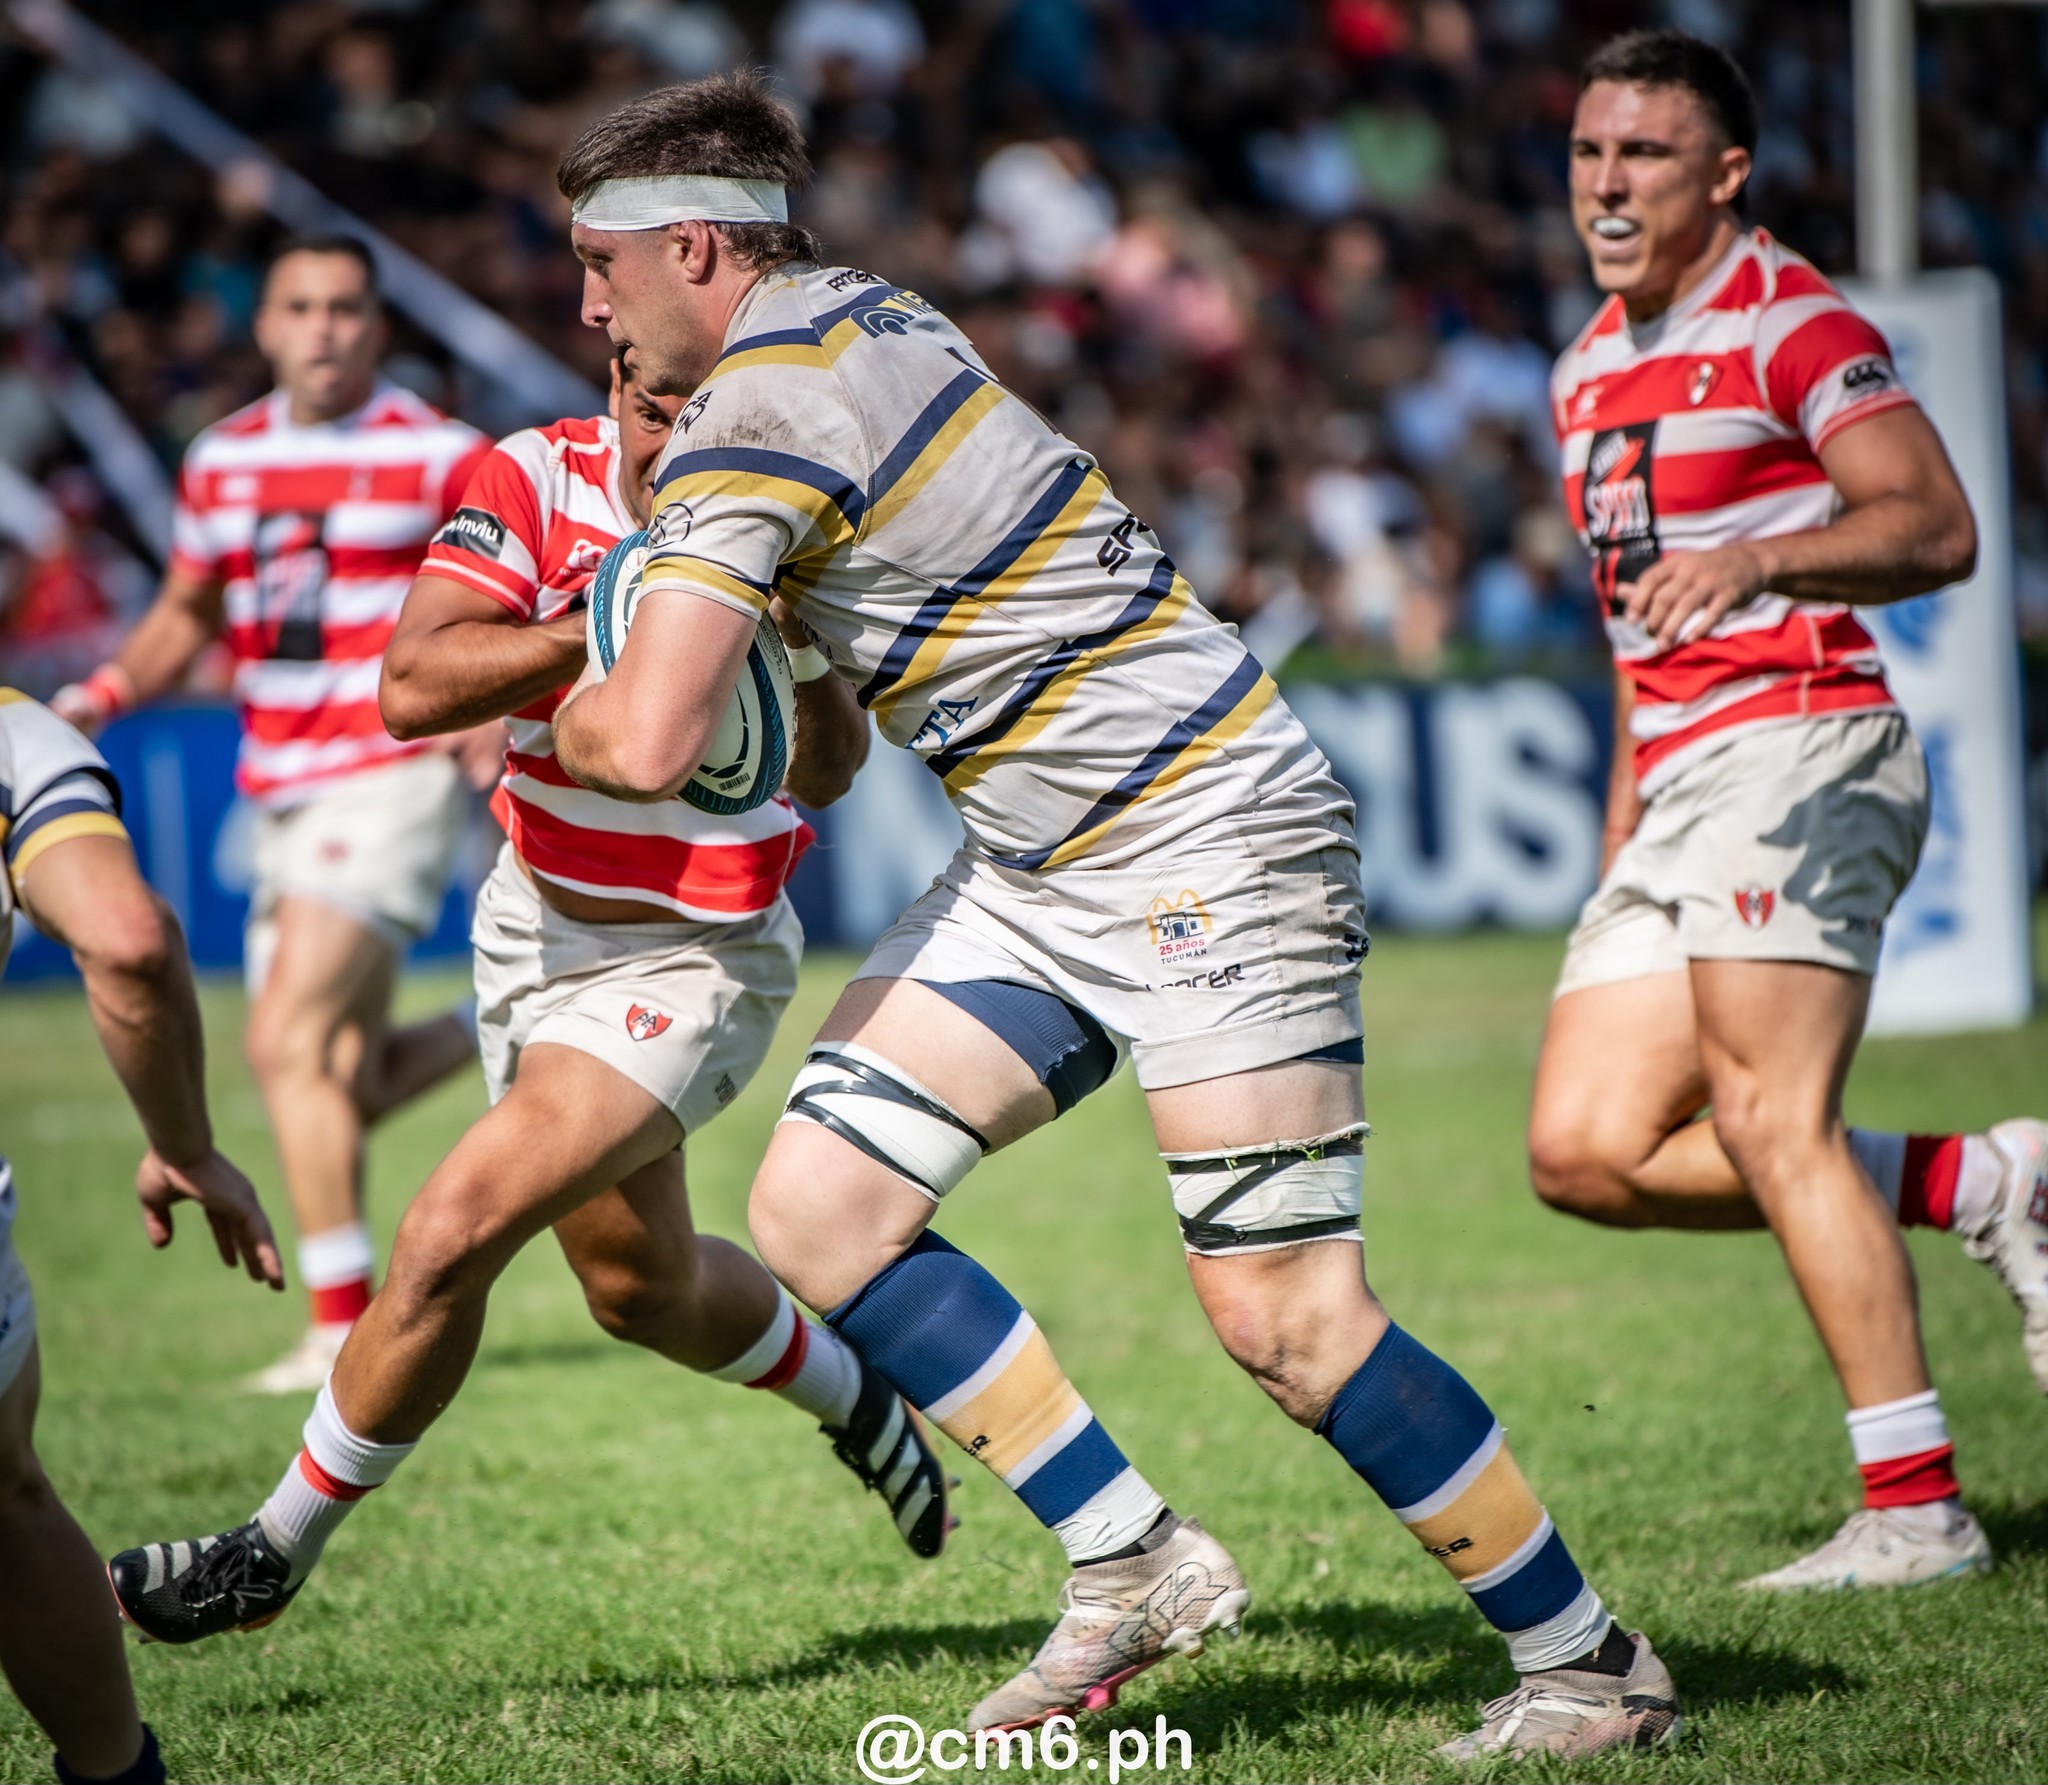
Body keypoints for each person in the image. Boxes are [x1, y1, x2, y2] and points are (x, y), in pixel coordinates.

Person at [552, 72, 1674, 1759]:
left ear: (690, 247)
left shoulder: (761, 416)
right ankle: (1128, 1558)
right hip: (1046, 857)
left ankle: (1591, 1669)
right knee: (820, 1206)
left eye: (597, 268)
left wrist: (583, 669)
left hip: (1197, 836)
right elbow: (839, 745)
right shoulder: (866, 317)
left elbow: (639, 744)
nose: (583, 307)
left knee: (1286, 1321)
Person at [106, 345, 951, 1645]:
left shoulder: (788, 527)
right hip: (532, 928)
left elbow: (831, 773)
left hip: (693, 958)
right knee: (641, 1289)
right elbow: (410, 684)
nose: (679, 437)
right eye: (658, 406)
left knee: (450, 1229)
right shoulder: (534, 477)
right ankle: (861, 1399)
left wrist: (803, 653)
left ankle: (265, 1552)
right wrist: (606, 627)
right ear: (617, 382)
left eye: (710, 415)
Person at [1527, 28, 2047, 1592]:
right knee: (1586, 1152)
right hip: (1681, 781)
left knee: (1766, 1116)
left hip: (1805, 741)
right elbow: (1633, 635)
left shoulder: (1794, 321)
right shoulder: (1586, 368)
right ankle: (1988, 1180)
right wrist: (1625, 831)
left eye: (1647, 156)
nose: (1608, 185)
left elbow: (1938, 527)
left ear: (1726, 176)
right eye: (1589, 153)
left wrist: (1763, 558)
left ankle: (1917, 1508)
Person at [54, 235, 496, 1394]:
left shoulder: (441, 457)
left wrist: (491, 708)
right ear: (265, 325)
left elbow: (520, 596)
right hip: (276, 784)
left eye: (346, 308)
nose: (324, 329)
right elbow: (187, 606)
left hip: (389, 770)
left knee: (284, 1041)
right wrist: (101, 694)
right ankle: (510, 1022)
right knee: (329, 1078)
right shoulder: (222, 460)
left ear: (377, 324)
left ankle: (339, 1325)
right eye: (300, 307)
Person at [0, 689, 281, 1785]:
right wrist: (187, 1144)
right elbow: (128, 942)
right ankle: (117, 1776)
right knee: (9, 1496)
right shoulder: (18, 733)